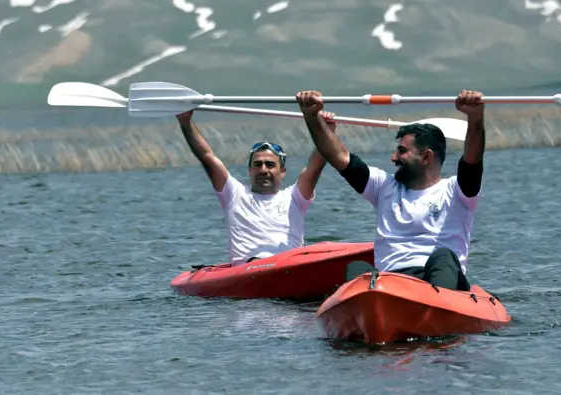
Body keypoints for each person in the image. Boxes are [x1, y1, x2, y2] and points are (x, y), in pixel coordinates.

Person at [294, 89, 486, 291]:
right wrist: (311, 116)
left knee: (444, 257)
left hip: (440, 280)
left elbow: (472, 159)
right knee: (357, 268)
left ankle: (438, 308)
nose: (393, 158)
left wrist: (475, 117)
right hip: (392, 284)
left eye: (402, 151)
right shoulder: (383, 186)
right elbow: (339, 156)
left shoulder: (457, 192)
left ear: (426, 157)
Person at [175, 109, 337, 266]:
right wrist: (185, 122)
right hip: (249, 270)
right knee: (259, 263)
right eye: (258, 164)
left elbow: (316, 165)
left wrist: (327, 130)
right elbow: (207, 156)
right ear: (250, 170)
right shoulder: (234, 194)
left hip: (289, 265)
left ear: (282, 172)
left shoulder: (296, 197)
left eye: (270, 164)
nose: (263, 170)